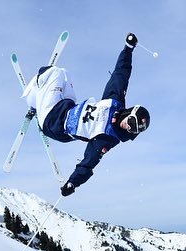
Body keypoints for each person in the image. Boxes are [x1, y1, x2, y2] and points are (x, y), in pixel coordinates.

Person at [22, 33, 150, 196]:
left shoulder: (108, 137)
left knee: (53, 73)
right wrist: (128, 48)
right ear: (130, 112)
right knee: (65, 73)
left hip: (53, 122)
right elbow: (121, 74)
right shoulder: (114, 101)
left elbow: (89, 162)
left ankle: (33, 103)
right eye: (131, 122)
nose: (128, 127)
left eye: (133, 130)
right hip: (65, 106)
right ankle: (40, 94)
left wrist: (72, 183)